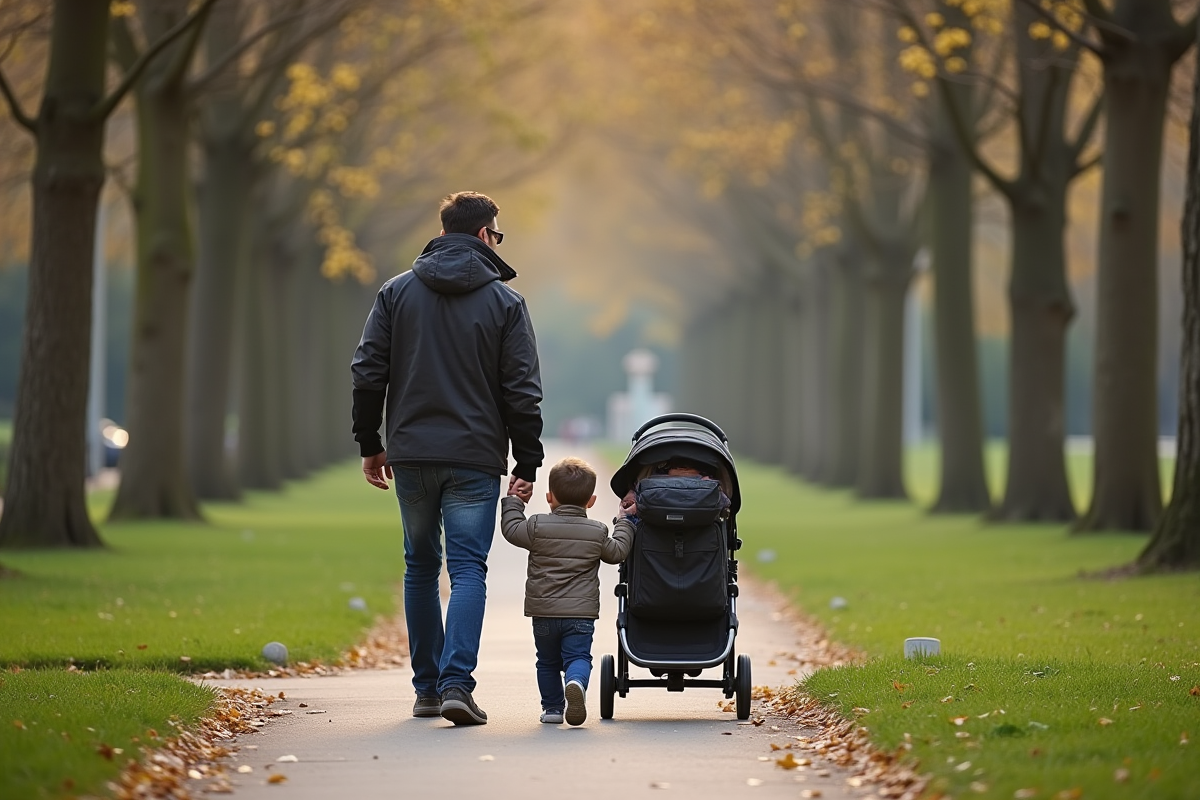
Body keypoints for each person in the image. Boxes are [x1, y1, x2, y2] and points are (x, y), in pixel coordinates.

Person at [351, 191, 543, 726]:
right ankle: (458, 684)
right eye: (497, 235)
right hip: (475, 458)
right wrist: (527, 463)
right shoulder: (506, 304)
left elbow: (367, 372)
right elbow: (522, 392)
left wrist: (370, 443)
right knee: (467, 570)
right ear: (484, 235)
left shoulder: (396, 293)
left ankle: (427, 690)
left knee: (419, 566)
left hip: (410, 454)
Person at [500, 457, 634, 726]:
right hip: (580, 615)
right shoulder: (597, 532)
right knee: (578, 657)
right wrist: (625, 522)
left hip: (544, 612)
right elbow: (618, 551)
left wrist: (515, 501)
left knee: (547, 662)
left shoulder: (537, 525)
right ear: (591, 501)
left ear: (549, 497)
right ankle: (575, 682)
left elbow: (511, 529)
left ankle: (552, 709)